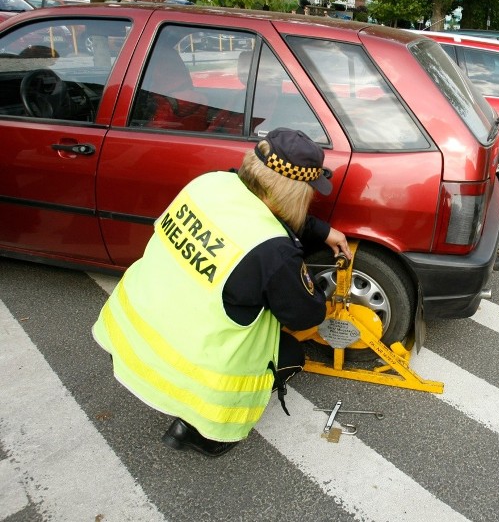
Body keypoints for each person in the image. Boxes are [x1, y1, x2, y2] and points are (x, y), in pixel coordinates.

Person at [92, 128, 351, 458]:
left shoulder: (208, 184)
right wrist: (322, 291)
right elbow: (306, 314)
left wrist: (320, 230)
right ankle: (203, 432)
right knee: (289, 355)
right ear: (294, 193)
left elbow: (254, 211)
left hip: (130, 340)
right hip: (187, 371)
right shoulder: (273, 252)